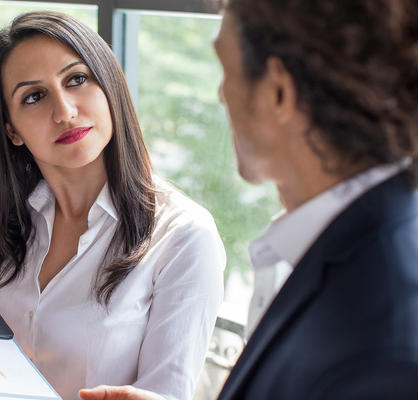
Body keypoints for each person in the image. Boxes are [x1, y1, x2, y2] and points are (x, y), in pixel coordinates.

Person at [78, 0, 418, 399]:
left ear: (278, 92)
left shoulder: (381, 350)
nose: (221, 94)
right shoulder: (344, 243)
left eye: (227, 69)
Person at [0, 10, 226, 400]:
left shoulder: (184, 236)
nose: (65, 112)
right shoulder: (14, 220)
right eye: (34, 97)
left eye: (77, 79)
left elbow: (163, 395)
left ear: (109, 86)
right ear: (12, 130)